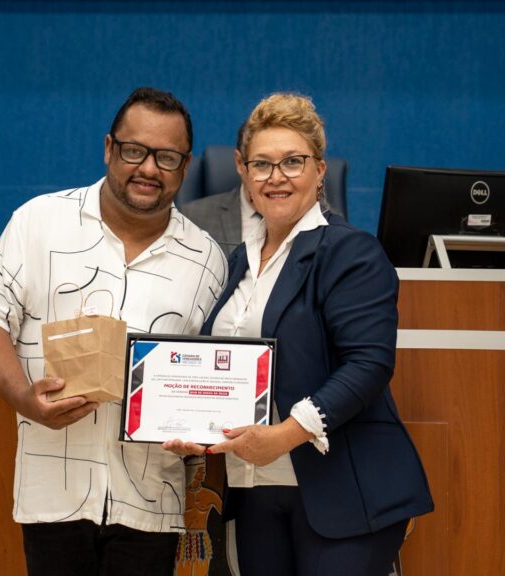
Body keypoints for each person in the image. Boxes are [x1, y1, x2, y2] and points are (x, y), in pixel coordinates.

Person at [163, 93, 433, 575]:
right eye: (262, 164)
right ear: (243, 173)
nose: (277, 176)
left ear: (320, 170)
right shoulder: (235, 263)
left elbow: (369, 365)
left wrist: (286, 435)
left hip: (342, 491)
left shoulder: (351, 253)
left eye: (293, 162)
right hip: (251, 492)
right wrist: (190, 427)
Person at [0, 87, 228, 576]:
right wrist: (24, 397)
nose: (149, 168)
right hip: (54, 488)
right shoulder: (38, 223)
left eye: (167, 157)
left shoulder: (207, 259)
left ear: (185, 167)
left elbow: (211, 375)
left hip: (153, 500)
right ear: (109, 148)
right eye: (134, 151)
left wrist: (203, 425)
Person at [178, 125, 260, 259]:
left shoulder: (305, 219)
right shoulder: (191, 218)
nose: (276, 177)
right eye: (261, 163)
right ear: (239, 162)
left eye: (290, 162)